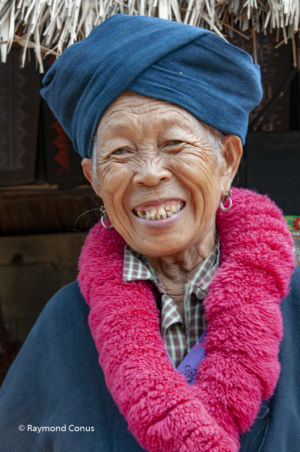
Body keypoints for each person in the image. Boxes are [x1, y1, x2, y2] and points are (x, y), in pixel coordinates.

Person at [0, 14, 299, 452]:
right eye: (120, 152)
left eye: (174, 144)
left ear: (228, 161)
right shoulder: (65, 322)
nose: (150, 173)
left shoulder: (295, 302)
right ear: (95, 178)